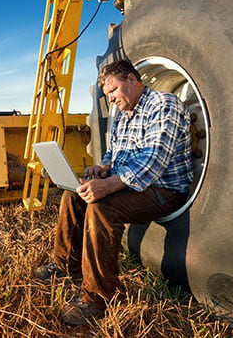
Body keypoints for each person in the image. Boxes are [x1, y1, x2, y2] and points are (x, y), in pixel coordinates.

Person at [33, 59, 194, 325]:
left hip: (163, 189)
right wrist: (104, 168)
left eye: (113, 90)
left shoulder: (164, 105)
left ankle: (97, 297)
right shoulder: (123, 115)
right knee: (73, 196)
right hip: (132, 185)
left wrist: (108, 185)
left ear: (132, 79)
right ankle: (65, 266)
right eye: (106, 94)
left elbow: (153, 161)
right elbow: (114, 151)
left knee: (101, 207)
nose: (110, 98)